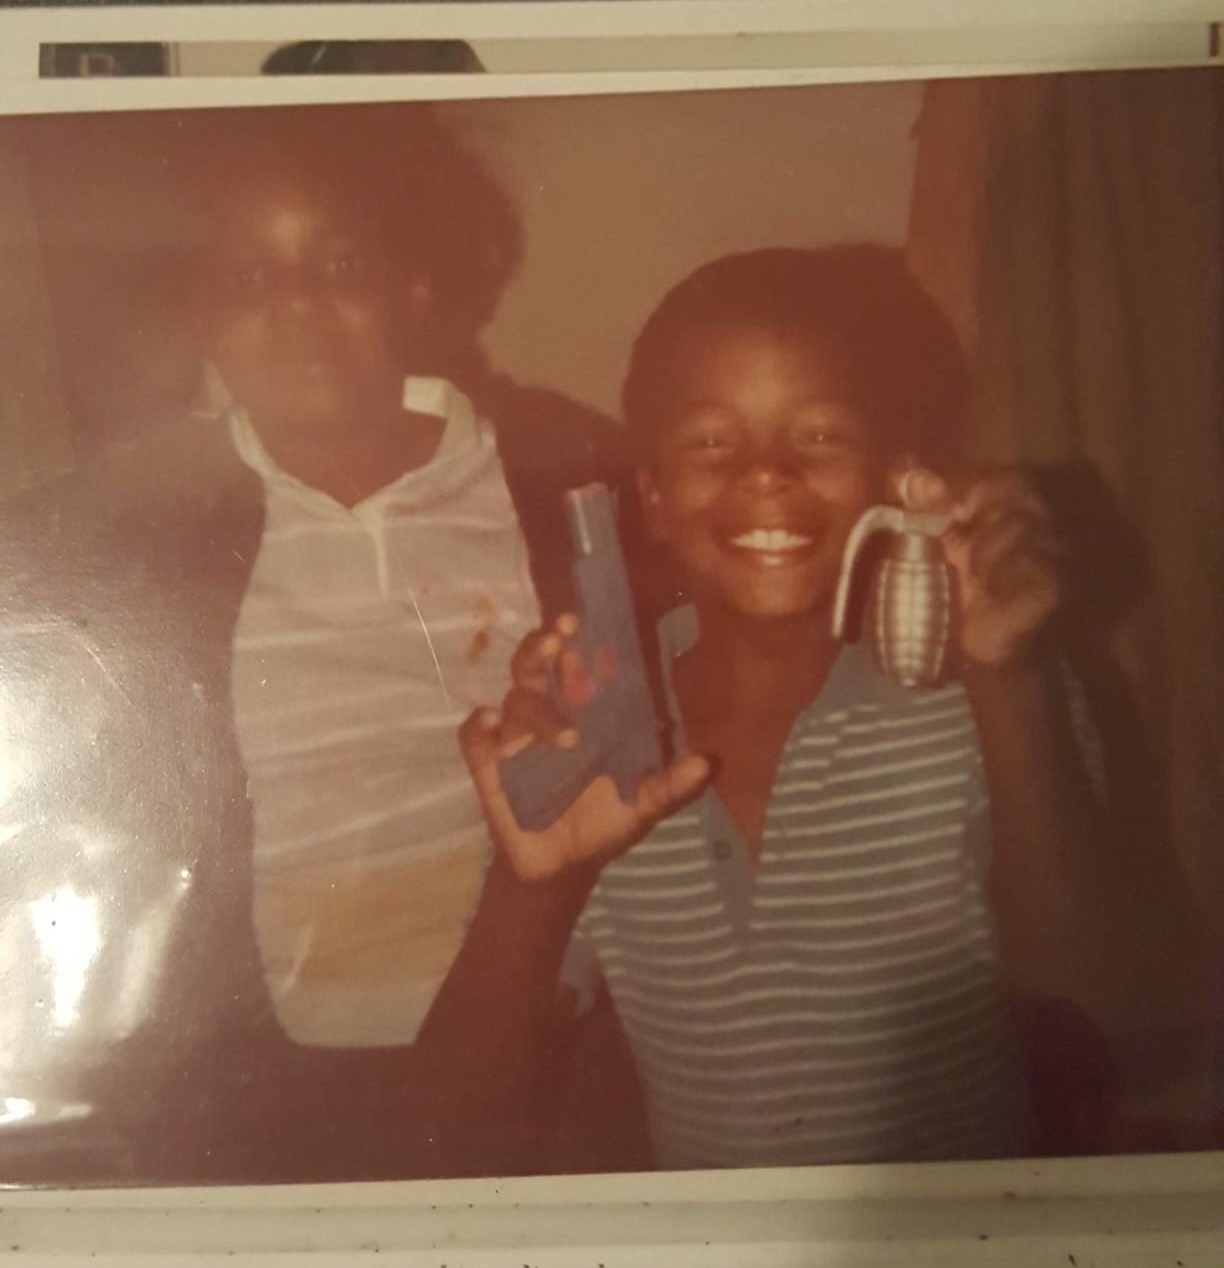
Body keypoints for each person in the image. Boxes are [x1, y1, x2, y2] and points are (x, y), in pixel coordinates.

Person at [0, 104, 624, 1185]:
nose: (295, 305)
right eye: (247, 278)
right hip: (255, 1086)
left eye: (338, 262)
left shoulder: (567, 479)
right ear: (201, 315)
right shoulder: (133, 527)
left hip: (550, 1042)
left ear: (413, 288)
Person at [460, 245, 1174, 1169]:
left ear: (892, 478)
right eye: (713, 440)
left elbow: (1098, 1005)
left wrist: (1010, 674)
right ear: (656, 499)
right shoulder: (590, 723)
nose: (765, 473)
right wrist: (535, 888)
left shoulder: (988, 691)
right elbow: (454, 1116)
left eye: (822, 435)